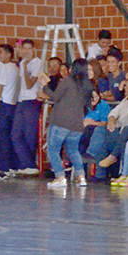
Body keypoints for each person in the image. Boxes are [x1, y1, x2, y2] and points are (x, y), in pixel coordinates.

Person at [40, 59, 90, 188]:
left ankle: (60, 177)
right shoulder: (87, 86)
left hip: (60, 121)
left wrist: (45, 85)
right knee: (73, 150)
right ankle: (81, 177)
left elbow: (55, 97)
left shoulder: (67, 81)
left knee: (53, 149)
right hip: (77, 123)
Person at [11, 39, 45, 175]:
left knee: (29, 134)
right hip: (21, 100)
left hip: (32, 100)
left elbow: (30, 83)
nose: (26, 51)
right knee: (15, 134)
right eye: (24, 48)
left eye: (29, 48)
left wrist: (25, 68)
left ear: (33, 49)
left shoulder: (37, 63)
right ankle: (26, 163)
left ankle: (30, 164)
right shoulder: (22, 62)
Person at [0, 43, 18, 175]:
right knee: (7, 136)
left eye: (0, 52)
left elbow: (0, 85)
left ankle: (3, 168)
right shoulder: (15, 68)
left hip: (4, 104)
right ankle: (11, 166)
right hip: (12, 105)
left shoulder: (3, 67)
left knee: (2, 136)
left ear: (9, 54)